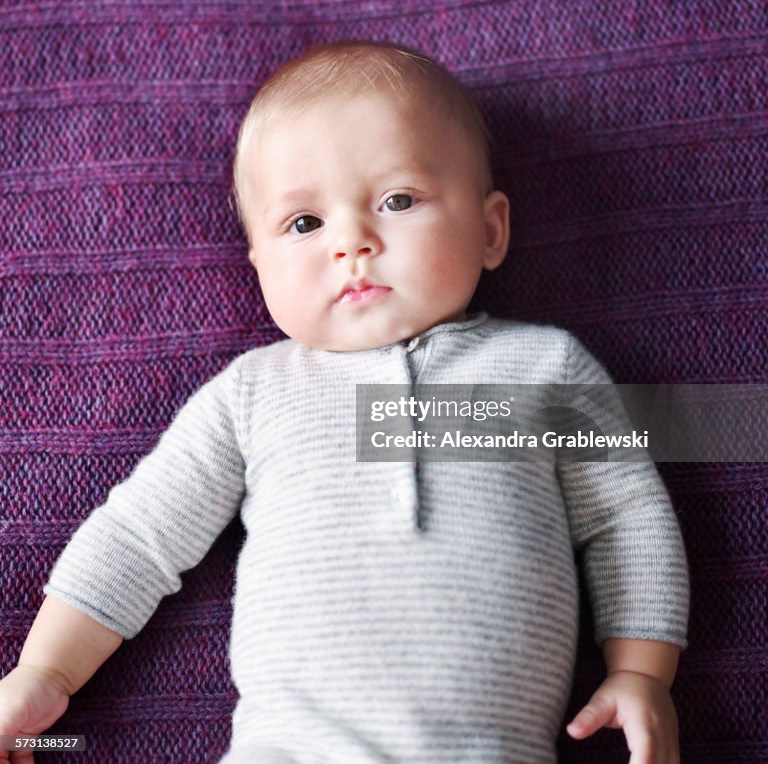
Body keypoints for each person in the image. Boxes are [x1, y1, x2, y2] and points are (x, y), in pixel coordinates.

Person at [0, 42, 689, 764]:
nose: (354, 243)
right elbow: (139, 536)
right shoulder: (255, 394)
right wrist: (45, 672)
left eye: (398, 201)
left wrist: (641, 673)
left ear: (489, 230)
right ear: (259, 265)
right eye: (304, 224)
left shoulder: (543, 369)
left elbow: (625, 518)